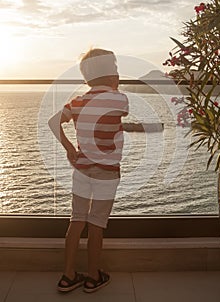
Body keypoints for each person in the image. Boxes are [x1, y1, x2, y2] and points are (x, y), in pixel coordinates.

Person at [48, 48, 129, 293]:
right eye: (115, 69)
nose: (118, 75)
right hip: (106, 171)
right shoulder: (119, 99)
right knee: (96, 224)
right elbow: (119, 113)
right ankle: (93, 276)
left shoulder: (77, 101)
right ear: (109, 74)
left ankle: (68, 275)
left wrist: (69, 148)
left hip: (81, 169)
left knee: (76, 220)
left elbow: (53, 122)